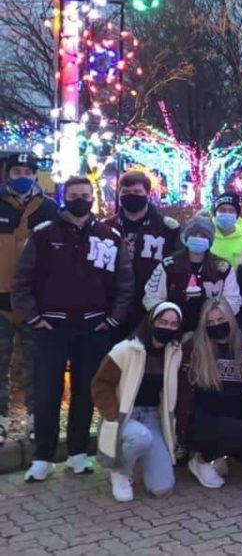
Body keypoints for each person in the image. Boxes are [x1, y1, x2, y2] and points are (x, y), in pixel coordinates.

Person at [15, 175, 134, 482]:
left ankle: (78, 453)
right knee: (47, 393)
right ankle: (43, 456)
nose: (80, 199)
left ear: (93, 198)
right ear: (64, 197)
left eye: (85, 194)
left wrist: (112, 321)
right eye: (74, 194)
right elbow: (23, 281)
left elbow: (124, 284)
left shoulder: (110, 236)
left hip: (94, 328)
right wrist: (33, 318)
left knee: (85, 392)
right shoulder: (43, 234)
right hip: (51, 327)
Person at [91, 302, 183, 502]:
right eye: (163, 321)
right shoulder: (125, 349)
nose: (167, 327)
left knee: (163, 489)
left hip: (152, 417)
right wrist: (112, 414)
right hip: (125, 415)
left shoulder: (174, 353)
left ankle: (138, 461)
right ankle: (120, 471)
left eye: (173, 324)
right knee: (141, 438)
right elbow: (101, 384)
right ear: (151, 321)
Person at [176, 298, 242, 488]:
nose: (217, 325)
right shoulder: (192, 347)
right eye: (211, 323)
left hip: (236, 419)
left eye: (220, 320)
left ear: (231, 320)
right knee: (238, 430)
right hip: (202, 421)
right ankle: (201, 459)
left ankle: (220, 456)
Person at [0, 152, 56, 446]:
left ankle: (38, 419)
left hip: (35, 302)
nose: (22, 176)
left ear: (35, 175)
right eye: (16, 171)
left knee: (37, 365)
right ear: (7, 174)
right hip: (0, 300)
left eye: (27, 171)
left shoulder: (49, 209)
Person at [104, 169, 180, 340]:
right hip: (112, 308)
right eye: (126, 192)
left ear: (147, 193)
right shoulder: (106, 228)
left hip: (151, 308)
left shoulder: (167, 228)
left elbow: (176, 269)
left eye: (137, 192)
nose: (131, 196)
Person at [144, 213, 241, 333]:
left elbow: (233, 300)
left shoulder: (223, 268)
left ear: (210, 240)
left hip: (211, 331)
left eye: (203, 235)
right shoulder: (169, 264)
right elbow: (151, 297)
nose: (198, 238)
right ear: (186, 238)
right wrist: (168, 317)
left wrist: (215, 319)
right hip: (172, 330)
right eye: (194, 234)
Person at [209, 192, 242, 268]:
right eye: (222, 210)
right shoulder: (206, 237)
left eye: (231, 211)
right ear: (215, 213)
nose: (226, 213)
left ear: (237, 215)